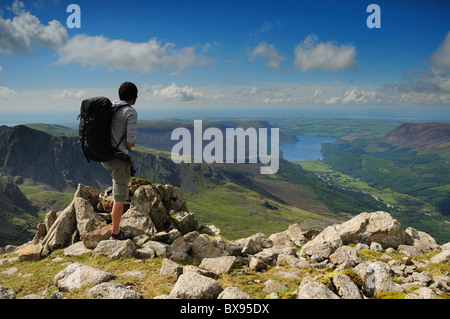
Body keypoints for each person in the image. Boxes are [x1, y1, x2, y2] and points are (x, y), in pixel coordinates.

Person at [102, 81, 138, 240]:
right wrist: (130, 144)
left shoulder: (111, 108)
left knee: (117, 190)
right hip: (118, 159)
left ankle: (114, 227)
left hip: (105, 155)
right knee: (119, 198)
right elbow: (130, 140)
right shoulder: (130, 112)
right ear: (135, 97)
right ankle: (115, 233)